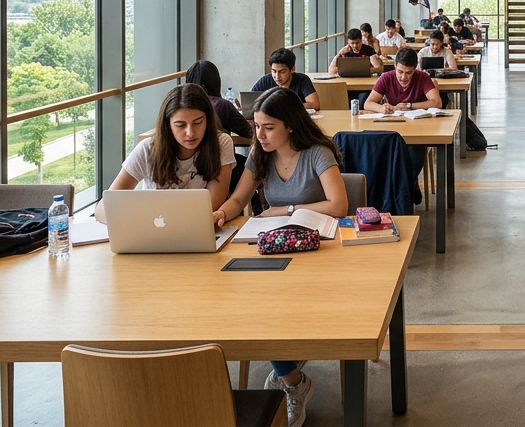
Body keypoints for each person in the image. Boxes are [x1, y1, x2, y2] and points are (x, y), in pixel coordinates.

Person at [212, 88, 347, 427]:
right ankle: (293, 381)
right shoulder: (260, 155)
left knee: (267, 309)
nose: (259, 135)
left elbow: (338, 205)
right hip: (276, 248)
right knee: (253, 303)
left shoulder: (317, 153)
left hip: (320, 252)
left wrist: (286, 209)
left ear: (289, 125)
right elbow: (239, 196)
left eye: (268, 127)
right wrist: (220, 213)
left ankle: (289, 375)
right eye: (256, 126)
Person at [96, 84, 234, 222]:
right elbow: (103, 207)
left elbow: (211, 205)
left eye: (198, 123)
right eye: (180, 125)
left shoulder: (221, 143)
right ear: (168, 125)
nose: (190, 133)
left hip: (195, 227)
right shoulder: (148, 149)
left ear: (208, 120)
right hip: (153, 228)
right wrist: (132, 221)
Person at [184, 60, 251, 137]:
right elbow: (249, 132)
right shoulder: (223, 105)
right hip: (219, 148)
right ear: (215, 80)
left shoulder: (181, 105)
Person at [364, 47, 442, 113]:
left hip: (418, 123)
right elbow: (367, 103)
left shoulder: (423, 77)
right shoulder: (386, 78)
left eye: (409, 73)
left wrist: (409, 106)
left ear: (415, 68)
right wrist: (381, 108)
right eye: (400, 72)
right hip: (393, 121)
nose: (403, 77)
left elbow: (437, 103)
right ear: (395, 65)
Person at [250, 48, 320, 111]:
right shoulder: (266, 80)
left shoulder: (302, 79)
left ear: (292, 69)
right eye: (274, 71)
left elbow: (315, 104)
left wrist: (285, 107)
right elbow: (248, 101)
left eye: (282, 72)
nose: (277, 76)